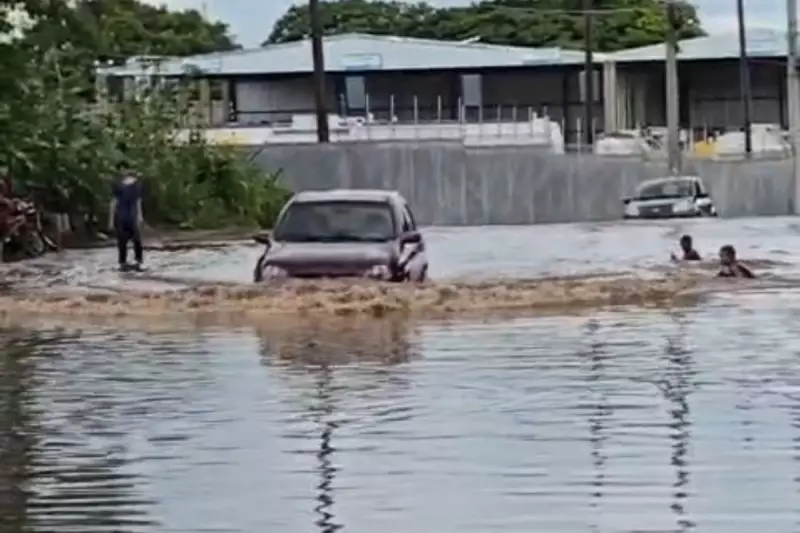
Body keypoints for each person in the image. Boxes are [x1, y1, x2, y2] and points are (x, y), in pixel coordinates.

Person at [108, 164, 144, 270]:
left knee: (122, 241)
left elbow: (113, 203)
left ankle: (123, 262)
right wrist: (140, 216)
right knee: (136, 240)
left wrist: (110, 220)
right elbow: (138, 202)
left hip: (122, 216)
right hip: (131, 216)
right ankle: (138, 260)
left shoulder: (119, 186)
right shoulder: (136, 186)